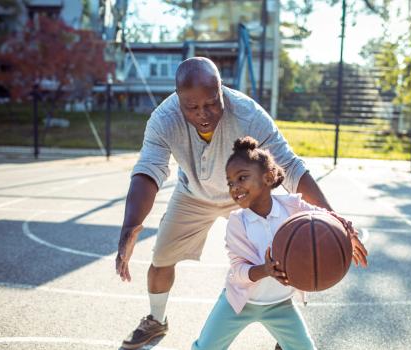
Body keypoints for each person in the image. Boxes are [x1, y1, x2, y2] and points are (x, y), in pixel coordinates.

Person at [115, 57, 368, 349]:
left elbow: (292, 167)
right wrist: (130, 225)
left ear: (221, 90)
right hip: (193, 194)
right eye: (192, 107)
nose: (203, 113)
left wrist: (333, 218)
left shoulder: (247, 114)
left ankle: (287, 336)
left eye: (211, 103)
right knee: (160, 259)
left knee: (295, 249)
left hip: (247, 194)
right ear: (178, 99)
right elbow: (148, 170)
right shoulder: (164, 119)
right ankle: (156, 321)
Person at [191, 137, 368, 350]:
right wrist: (266, 270)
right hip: (239, 303)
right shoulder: (238, 221)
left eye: (242, 178)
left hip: (280, 304)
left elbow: (324, 217)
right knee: (204, 347)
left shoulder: (292, 206)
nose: (234, 187)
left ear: (267, 177)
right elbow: (238, 271)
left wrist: (345, 228)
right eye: (230, 182)